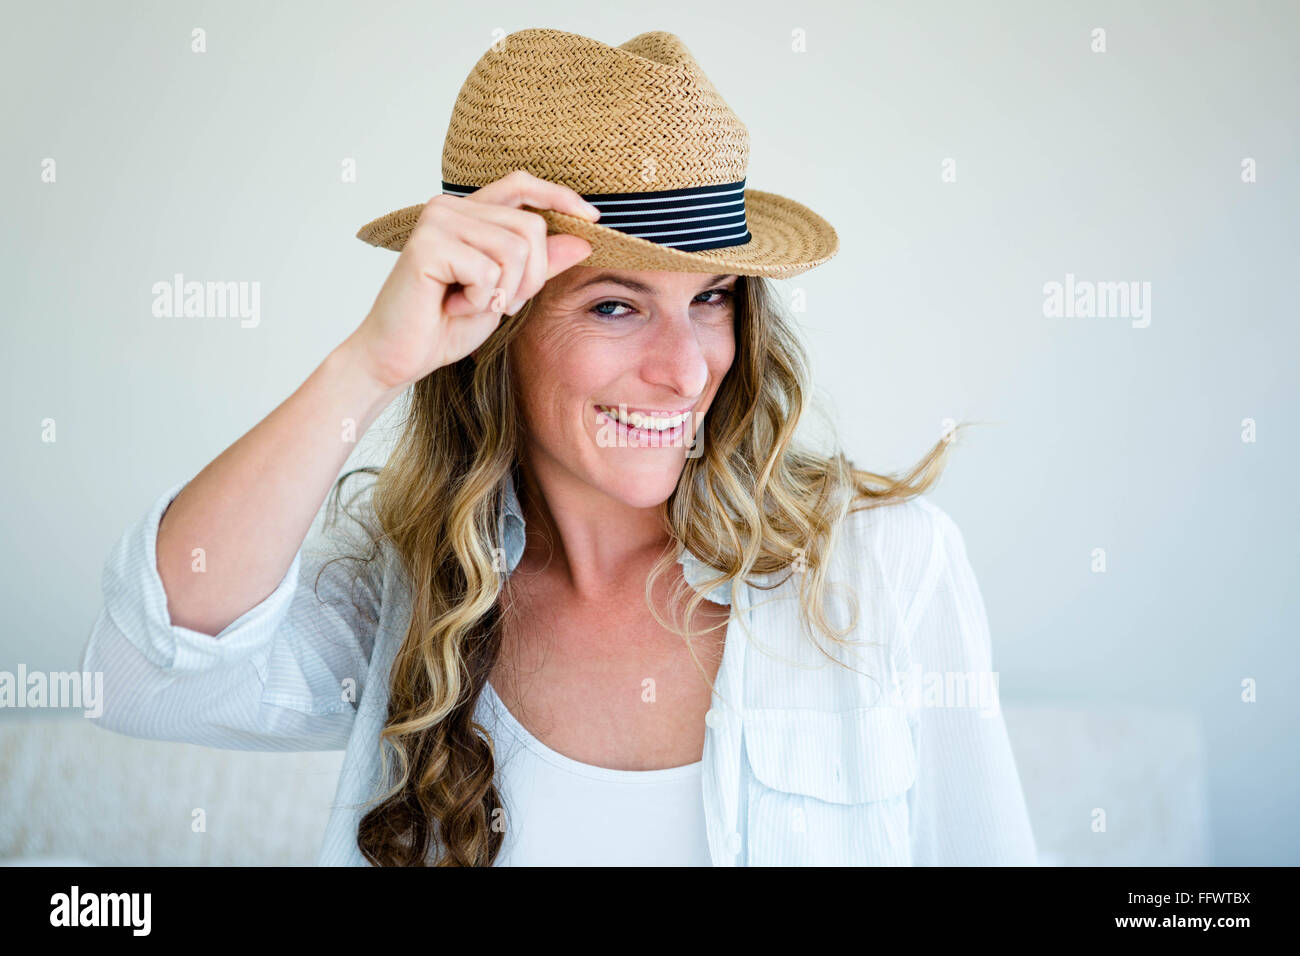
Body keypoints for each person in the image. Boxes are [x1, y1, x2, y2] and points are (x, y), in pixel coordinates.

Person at [81, 28, 1038, 867]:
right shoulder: (407, 598)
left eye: (710, 299)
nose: (685, 369)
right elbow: (148, 674)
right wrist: (367, 364)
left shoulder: (883, 569)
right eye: (616, 305)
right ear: (491, 330)